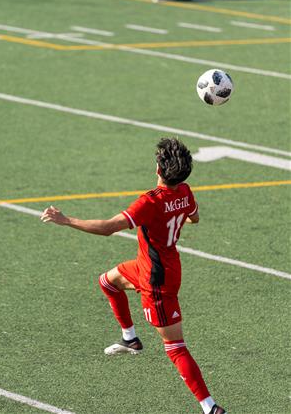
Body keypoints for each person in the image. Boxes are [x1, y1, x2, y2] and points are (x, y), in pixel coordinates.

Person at [41, 138, 227, 414]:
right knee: (108, 281)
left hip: (157, 279)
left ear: (158, 170)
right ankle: (130, 338)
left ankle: (210, 407)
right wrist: (174, 214)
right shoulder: (186, 192)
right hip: (152, 264)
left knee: (175, 347)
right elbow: (193, 217)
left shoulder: (149, 202)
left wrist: (66, 220)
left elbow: (107, 228)